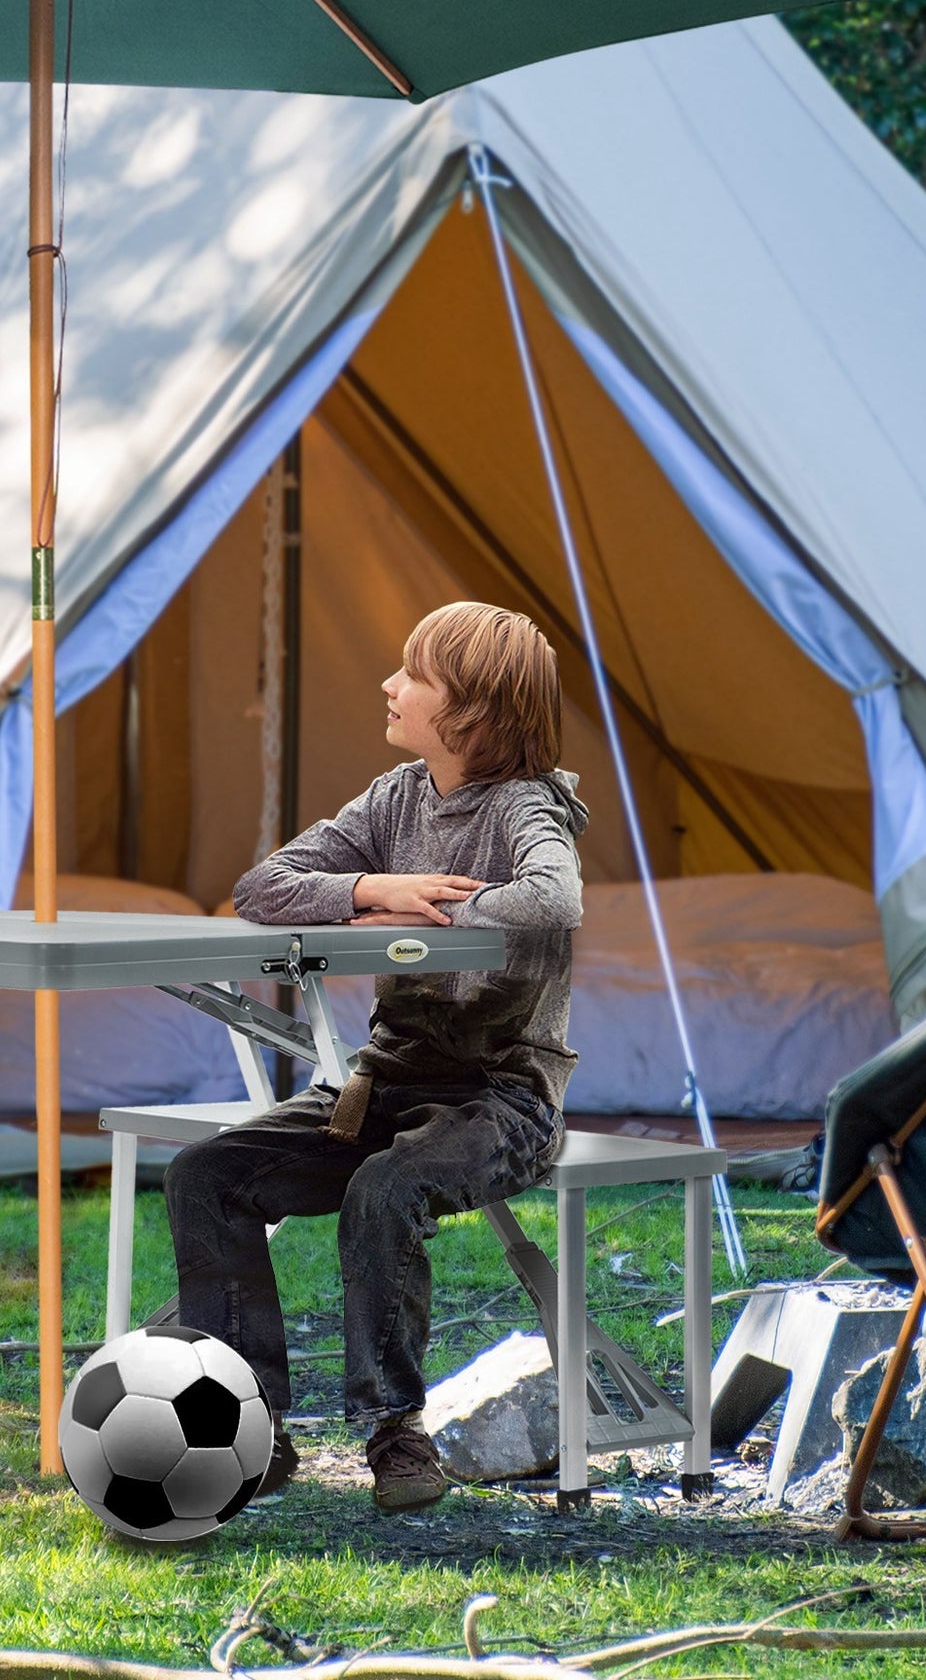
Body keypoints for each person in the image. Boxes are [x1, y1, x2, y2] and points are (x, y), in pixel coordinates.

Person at [164, 600, 587, 1512]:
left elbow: (553, 900)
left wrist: (443, 909)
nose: (390, 685)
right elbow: (261, 887)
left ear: (470, 710)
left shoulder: (528, 806)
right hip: (387, 1083)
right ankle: (251, 1427)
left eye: (414, 675)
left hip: (503, 1099)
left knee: (384, 1187)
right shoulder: (395, 797)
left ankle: (395, 1431)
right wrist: (373, 888)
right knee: (207, 1174)